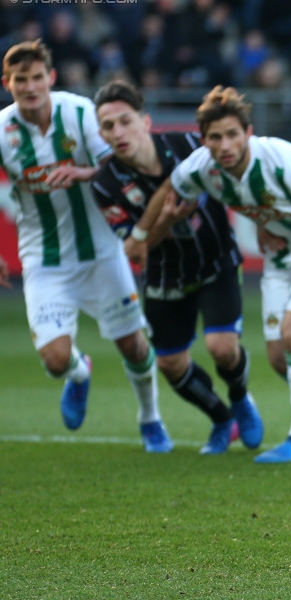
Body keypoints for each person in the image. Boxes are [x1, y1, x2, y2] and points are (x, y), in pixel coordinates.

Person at [126, 86, 291, 463]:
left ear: (248, 133)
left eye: (233, 134)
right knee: (279, 358)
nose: (225, 144)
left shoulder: (284, 160)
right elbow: (170, 187)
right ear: (203, 141)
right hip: (280, 252)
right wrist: (141, 234)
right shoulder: (202, 167)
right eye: (215, 137)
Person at [0, 40, 170, 452]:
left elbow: (120, 165)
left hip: (102, 248)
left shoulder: (80, 113)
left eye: (37, 77)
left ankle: (150, 419)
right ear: (7, 84)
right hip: (44, 256)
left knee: (133, 344)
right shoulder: (2, 130)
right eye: (20, 80)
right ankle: (80, 373)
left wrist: (83, 172)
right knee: (55, 361)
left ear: (50, 78)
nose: (30, 87)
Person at [91, 80, 264, 455]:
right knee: (170, 363)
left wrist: (265, 222)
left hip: (215, 260)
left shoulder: (191, 145)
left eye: (125, 121)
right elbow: (135, 251)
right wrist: (166, 222)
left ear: (145, 121)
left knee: (222, 349)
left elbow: (242, 179)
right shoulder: (105, 184)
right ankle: (221, 419)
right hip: (165, 274)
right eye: (108, 126)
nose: (118, 133)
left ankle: (240, 399)